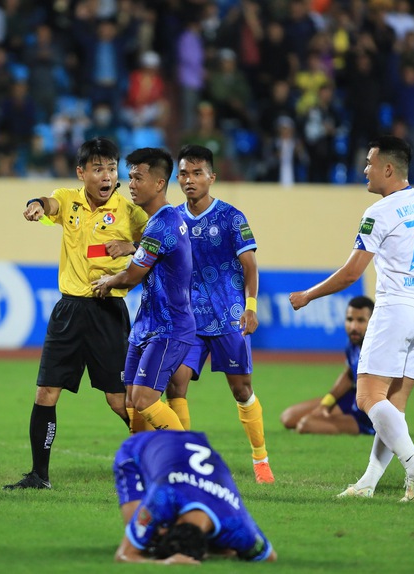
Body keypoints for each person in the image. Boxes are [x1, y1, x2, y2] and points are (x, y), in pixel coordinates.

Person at [289, 135, 414, 502]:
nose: (365, 169)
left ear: (388, 169)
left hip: (396, 313)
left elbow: (349, 274)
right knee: (393, 406)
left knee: (367, 397)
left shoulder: (378, 213)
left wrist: (308, 296)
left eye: (369, 163)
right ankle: (368, 483)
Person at [3, 137, 148, 490]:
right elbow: (47, 202)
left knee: (119, 400)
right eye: (98, 169)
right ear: (82, 173)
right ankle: (40, 475)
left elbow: (165, 243)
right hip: (69, 310)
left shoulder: (130, 212)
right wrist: (35, 204)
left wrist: (133, 245)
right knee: (45, 394)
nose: (107, 176)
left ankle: (156, 462)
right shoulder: (69, 200)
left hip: (108, 311)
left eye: (112, 169)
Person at [166, 144, 274, 484]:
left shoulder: (231, 217)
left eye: (197, 173)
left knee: (241, 391)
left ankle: (260, 459)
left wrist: (251, 307)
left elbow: (251, 267)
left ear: (211, 177)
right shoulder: (173, 219)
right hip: (189, 322)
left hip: (229, 317)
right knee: (175, 385)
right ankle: (185, 461)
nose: (189, 179)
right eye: (183, 173)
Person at [92, 147, 195, 434]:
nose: (131, 185)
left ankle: (188, 461)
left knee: (144, 399)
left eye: (138, 178)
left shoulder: (162, 224)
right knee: (131, 401)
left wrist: (108, 281)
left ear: (159, 183)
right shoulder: (160, 222)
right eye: (131, 177)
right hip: (147, 325)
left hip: (168, 328)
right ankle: (145, 467)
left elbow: (132, 276)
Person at [113, 430, 276, 564]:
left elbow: (269, 557)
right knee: (144, 542)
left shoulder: (240, 526)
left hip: (190, 444)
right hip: (137, 448)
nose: (163, 530)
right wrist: (165, 562)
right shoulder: (163, 497)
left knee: (147, 536)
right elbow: (123, 555)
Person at [280, 296, 377, 436]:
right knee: (288, 417)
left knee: (306, 425)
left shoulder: (378, 351)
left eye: (360, 320)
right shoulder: (353, 345)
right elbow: (349, 375)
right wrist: (327, 403)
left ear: (373, 322)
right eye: (350, 320)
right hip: (351, 399)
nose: (353, 327)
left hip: (367, 416)